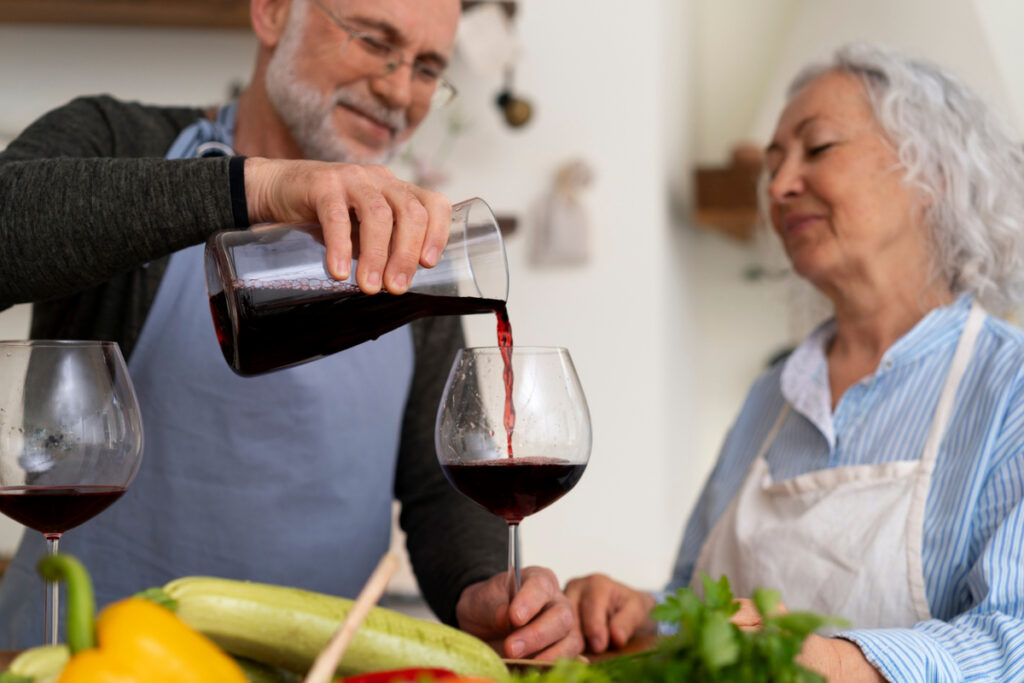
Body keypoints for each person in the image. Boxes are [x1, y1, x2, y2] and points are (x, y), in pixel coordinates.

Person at [0, 0, 582, 660]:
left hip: (319, 671)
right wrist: (260, 188)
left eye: (426, 68)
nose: (398, 89)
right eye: (373, 41)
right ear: (274, 13)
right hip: (85, 665)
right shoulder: (117, 139)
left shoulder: (413, 245)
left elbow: (436, 489)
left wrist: (480, 586)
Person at [565, 42, 1024, 680]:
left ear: (933, 174)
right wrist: (640, 613)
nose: (779, 186)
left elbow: (1014, 642)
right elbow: (701, 602)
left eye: (819, 148)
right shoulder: (772, 396)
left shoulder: (1011, 389)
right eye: (774, 163)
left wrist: (823, 660)